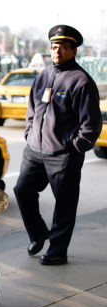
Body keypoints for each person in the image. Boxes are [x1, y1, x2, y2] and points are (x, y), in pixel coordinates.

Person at [14, 25, 102, 266]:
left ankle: (58, 250)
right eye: (54, 46)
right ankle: (38, 233)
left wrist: (75, 145)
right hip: (34, 150)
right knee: (22, 190)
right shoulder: (43, 75)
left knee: (64, 203)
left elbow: (91, 123)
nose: (57, 51)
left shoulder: (81, 81)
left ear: (73, 50)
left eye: (63, 47)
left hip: (63, 154)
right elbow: (32, 108)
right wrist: (29, 131)